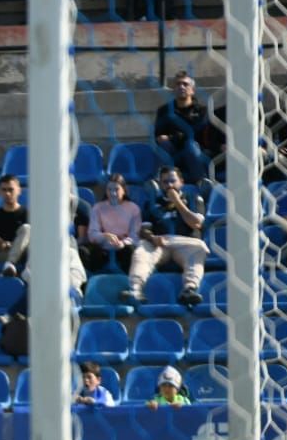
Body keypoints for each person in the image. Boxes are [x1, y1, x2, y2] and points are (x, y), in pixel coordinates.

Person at [126, 166, 207, 307]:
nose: (169, 185)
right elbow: (144, 229)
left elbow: (196, 224)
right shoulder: (152, 203)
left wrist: (177, 202)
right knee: (142, 249)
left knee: (199, 248)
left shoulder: (193, 198)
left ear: (181, 182)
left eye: (172, 181)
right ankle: (135, 290)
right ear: (160, 184)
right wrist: (152, 238)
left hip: (186, 242)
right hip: (160, 241)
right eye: (165, 182)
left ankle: (189, 289)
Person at [153, 70, 222, 185]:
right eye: (178, 84)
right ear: (173, 89)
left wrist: (171, 138)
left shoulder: (202, 111)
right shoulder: (164, 111)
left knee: (190, 145)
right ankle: (162, 184)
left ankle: (202, 184)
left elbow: (194, 135)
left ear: (192, 90)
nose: (181, 87)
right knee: (163, 145)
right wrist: (167, 139)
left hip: (196, 152)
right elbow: (158, 136)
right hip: (174, 152)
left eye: (185, 84)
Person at [81, 173, 142, 275]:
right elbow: (92, 233)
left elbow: (134, 236)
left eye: (116, 189)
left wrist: (123, 243)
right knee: (84, 252)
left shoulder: (133, 209)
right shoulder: (98, 208)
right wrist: (105, 236)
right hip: (103, 246)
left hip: (124, 247)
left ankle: (130, 284)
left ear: (123, 190)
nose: (113, 193)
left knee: (132, 252)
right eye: (109, 189)